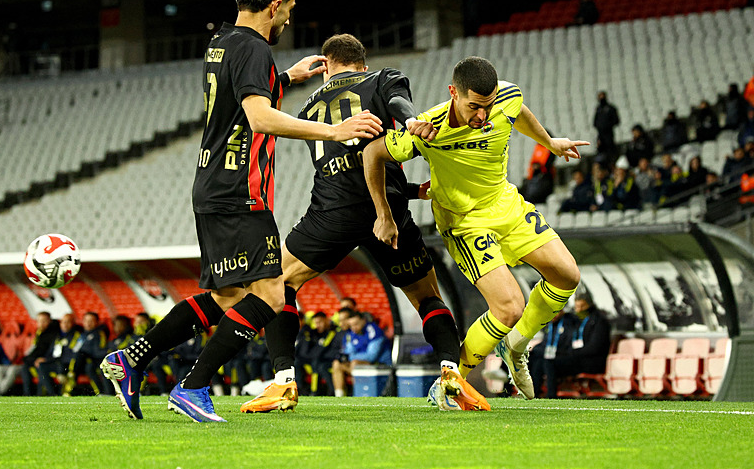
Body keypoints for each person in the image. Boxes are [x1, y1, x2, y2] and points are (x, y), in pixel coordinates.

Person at [100, 0, 382, 422]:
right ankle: (192, 388)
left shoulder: (222, 41)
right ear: (274, 5)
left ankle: (131, 358)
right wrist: (335, 130)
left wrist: (286, 79)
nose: (289, 17)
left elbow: (240, 96)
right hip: (240, 190)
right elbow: (260, 118)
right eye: (288, 8)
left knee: (230, 298)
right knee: (271, 295)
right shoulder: (253, 49)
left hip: (211, 185)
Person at [241, 33, 482, 413]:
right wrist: (412, 122)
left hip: (333, 211)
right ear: (362, 64)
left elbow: (343, 158)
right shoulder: (382, 78)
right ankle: (452, 375)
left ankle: (283, 381)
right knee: (426, 296)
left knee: (278, 284)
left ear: (327, 65)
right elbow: (399, 108)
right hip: (387, 208)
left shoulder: (308, 105)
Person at [364, 56, 587, 400]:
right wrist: (384, 213)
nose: (482, 116)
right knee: (509, 307)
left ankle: (515, 347)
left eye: (488, 106)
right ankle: (451, 384)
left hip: (506, 205)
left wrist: (549, 141)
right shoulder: (427, 128)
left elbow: (518, 112)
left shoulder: (506, 98)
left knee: (567, 275)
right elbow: (373, 153)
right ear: (453, 92)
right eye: (474, 107)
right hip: (465, 221)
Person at [540, 295, 610, 398]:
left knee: (551, 363)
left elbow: (594, 348)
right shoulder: (578, 322)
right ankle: (535, 393)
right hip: (578, 358)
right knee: (541, 361)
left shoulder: (599, 321)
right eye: (577, 307)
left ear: (590, 305)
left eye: (582, 306)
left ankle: (551, 395)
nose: (579, 310)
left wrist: (572, 352)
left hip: (592, 361)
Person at [332, 311, 391, 397]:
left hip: (380, 365)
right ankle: (339, 396)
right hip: (361, 364)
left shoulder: (374, 332)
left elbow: (371, 356)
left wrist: (350, 357)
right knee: (336, 364)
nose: (353, 328)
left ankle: (357, 394)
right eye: (351, 325)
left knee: (355, 363)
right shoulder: (352, 333)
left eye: (356, 324)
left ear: (363, 320)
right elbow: (348, 351)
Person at [528, 311, 578, 398]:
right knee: (536, 360)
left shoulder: (568, 323)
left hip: (564, 357)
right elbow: (545, 343)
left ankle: (551, 395)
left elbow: (568, 345)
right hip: (549, 357)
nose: (553, 315)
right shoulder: (549, 326)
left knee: (547, 362)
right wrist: (535, 350)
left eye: (556, 312)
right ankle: (533, 394)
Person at [64, 312, 108, 396]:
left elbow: (99, 351)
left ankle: (101, 392)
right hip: (79, 363)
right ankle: (67, 389)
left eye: (91, 321)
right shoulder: (81, 335)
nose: (88, 323)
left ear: (97, 322)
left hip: (93, 361)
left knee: (89, 366)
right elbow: (73, 349)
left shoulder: (99, 334)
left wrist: (86, 352)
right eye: (86, 321)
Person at [36, 313, 81, 396]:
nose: (65, 325)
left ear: (72, 323)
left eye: (68, 322)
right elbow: (51, 352)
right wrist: (45, 359)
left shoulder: (77, 336)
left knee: (62, 371)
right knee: (41, 366)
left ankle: (60, 393)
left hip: (68, 366)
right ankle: (52, 394)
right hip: (57, 363)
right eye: (63, 322)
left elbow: (74, 354)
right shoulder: (58, 336)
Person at [20, 311, 60, 396]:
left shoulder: (55, 333)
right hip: (38, 359)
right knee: (25, 367)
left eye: (44, 321)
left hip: (49, 360)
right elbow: (35, 348)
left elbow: (52, 350)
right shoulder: (40, 333)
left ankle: (47, 394)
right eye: (39, 321)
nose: (41, 324)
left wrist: (45, 359)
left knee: (40, 366)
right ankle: (27, 394)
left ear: (49, 321)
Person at [593, 91, 619, 159]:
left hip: (609, 135)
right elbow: (595, 122)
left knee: (610, 153)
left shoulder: (611, 108)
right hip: (601, 135)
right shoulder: (598, 109)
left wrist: (607, 126)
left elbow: (616, 121)